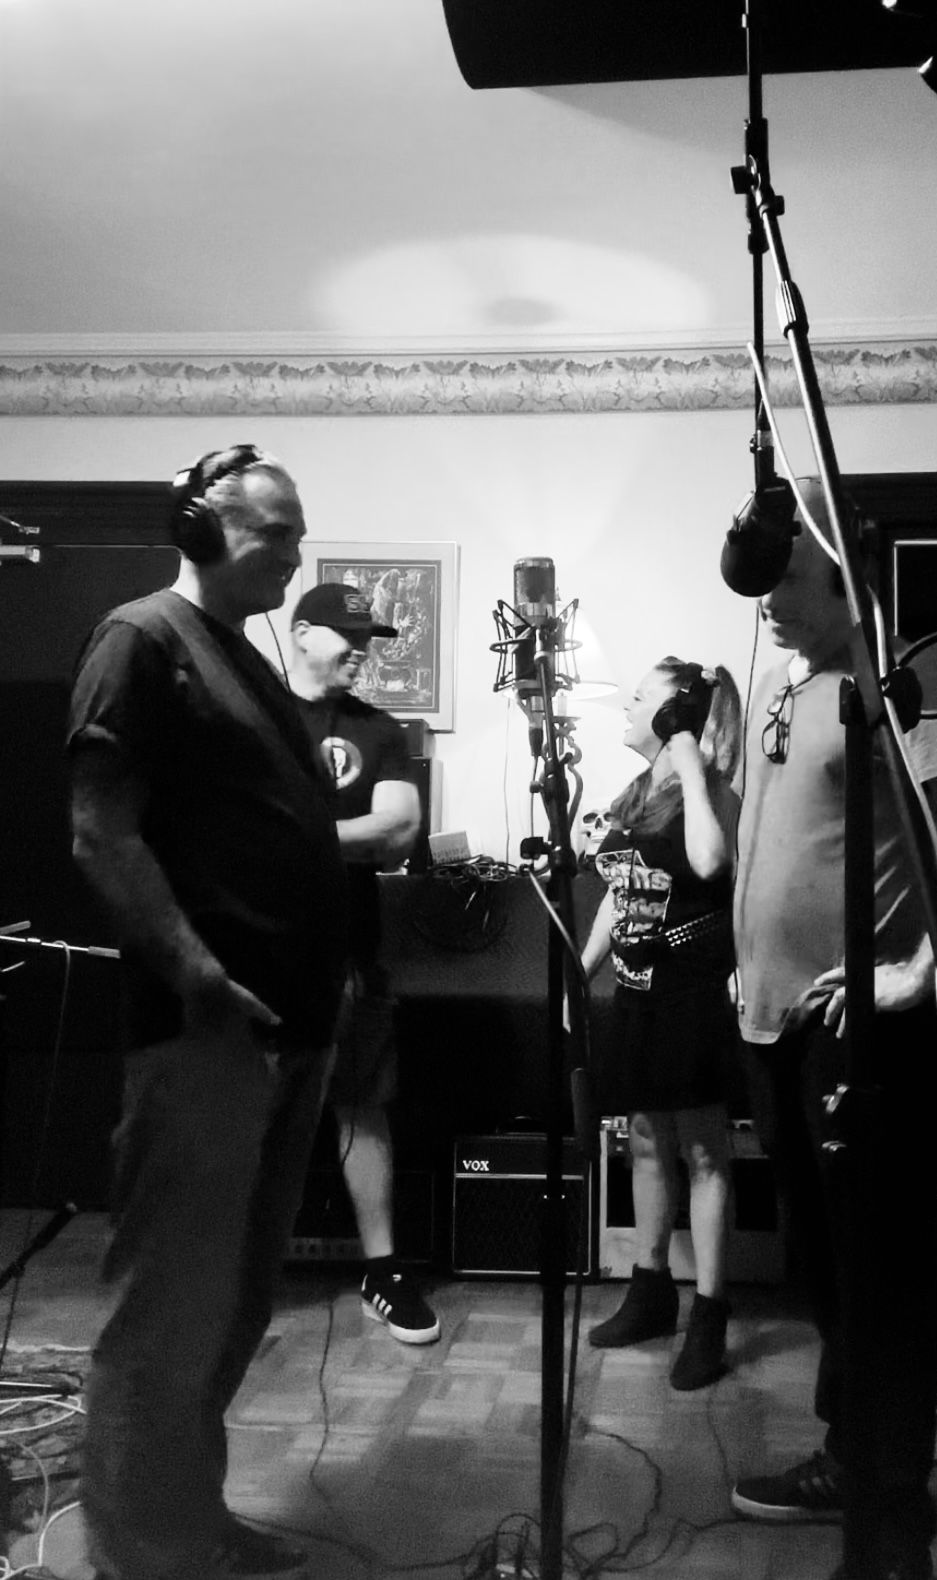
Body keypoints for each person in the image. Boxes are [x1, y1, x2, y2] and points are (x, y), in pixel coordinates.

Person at [728, 481, 937, 1580]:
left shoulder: (898, 687)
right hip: (772, 1023)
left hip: (855, 1031)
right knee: (825, 1269)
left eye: (788, 577)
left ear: (847, 576)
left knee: (878, 1276)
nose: (768, 599)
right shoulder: (783, 684)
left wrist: (916, 969)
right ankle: (855, 1457)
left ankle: (891, 1511)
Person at [68, 445, 348, 1580]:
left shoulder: (243, 654)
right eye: (277, 532)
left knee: (230, 1303)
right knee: (168, 1306)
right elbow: (100, 829)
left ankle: (190, 1522)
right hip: (208, 1033)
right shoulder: (139, 638)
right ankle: (141, 1556)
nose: (295, 553)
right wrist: (196, 974)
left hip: (290, 1031)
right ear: (200, 527)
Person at [582, 656, 743, 1390]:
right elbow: (620, 893)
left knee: (704, 1150)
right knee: (644, 1140)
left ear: (676, 710)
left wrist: (688, 757)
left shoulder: (709, 790)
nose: (626, 703)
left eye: (641, 695)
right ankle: (650, 1293)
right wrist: (581, 970)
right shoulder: (633, 793)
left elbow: (710, 864)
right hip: (636, 992)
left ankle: (710, 1313)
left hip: (691, 991)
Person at [286, 581, 439, 1344]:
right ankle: (230, 1269)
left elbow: (398, 832)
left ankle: (384, 1270)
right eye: (347, 635)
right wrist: (343, 835)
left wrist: (291, 835)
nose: (360, 651)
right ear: (301, 633)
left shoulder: (380, 730)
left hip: (352, 955)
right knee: (251, 1112)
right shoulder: (256, 716)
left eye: (368, 639)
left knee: (362, 1107)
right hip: (260, 957)